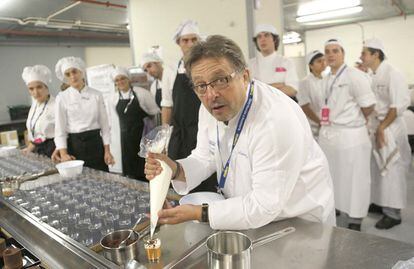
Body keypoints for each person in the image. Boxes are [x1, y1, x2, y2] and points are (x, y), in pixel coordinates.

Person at [145, 35, 335, 230]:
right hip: (246, 212)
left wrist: (200, 213)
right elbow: (205, 156)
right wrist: (175, 169)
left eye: (220, 80)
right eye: (201, 86)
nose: (211, 95)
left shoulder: (273, 120)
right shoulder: (209, 108)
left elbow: (264, 204)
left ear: (244, 77)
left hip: (298, 220)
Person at [318, 39, 376, 231]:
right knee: (334, 177)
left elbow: (368, 107)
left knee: (355, 179)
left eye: (335, 50)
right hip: (331, 135)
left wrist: (352, 121)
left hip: (351, 136)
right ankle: (339, 209)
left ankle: (356, 219)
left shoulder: (355, 76)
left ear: (343, 53)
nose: (331, 54)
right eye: (327, 51)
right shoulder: (326, 78)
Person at [360, 38, 411, 229]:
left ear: (376, 54)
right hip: (378, 126)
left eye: (364, 53)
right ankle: (381, 203)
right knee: (377, 168)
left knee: (392, 169)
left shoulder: (393, 74)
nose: (361, 56)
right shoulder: (373, 75)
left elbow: (397, 105)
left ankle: (393, 213)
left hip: (390, 127)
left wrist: (382, 128)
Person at [161, 19, 217, 192]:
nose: (190, 44)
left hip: (203, 130)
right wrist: (164, 136)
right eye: (185, 40)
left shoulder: (206, 67)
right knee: (178, 177)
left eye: (194, 39)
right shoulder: (170, 70)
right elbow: (167, 104)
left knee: (206, 176)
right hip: (179, 133)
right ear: (178, 43)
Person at [54, 56, 114, 171]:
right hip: (75, 145)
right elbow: (60, 129)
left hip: (95, 143)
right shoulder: (62, 97)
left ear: (81, 72)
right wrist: (63, 154)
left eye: (74, 71)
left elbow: (105, 126)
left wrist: (107, 151)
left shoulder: (96, 95)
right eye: (68, 74)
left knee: (100, 179)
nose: (72, 76)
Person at [110, 66, 159, 179]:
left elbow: (155, 113)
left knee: (145, 169)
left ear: (129, 79)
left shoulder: (142, 93)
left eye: (123, 78)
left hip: (143, 137)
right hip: (125, 139)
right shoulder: (113, 98)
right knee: (130, 170)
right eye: (117, 80)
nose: (120, 82)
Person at [248, 24, 299, 100]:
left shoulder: (286, 62)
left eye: (266, 35)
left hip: (282, 105)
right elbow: (249, 90)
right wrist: (278, 85)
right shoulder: (251, 64)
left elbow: (292, 89)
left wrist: (261, 89)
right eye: (259, 37)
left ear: (274, 39)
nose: (262, 39)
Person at [21, 65, 56, 157]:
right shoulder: (35, 105)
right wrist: (29, 148)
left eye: (39, 87)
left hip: (53, 150)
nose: (35, 92)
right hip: (38, 149)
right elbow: (39, 135)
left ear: (46, 87)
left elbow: (65, 134)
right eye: (31, 89)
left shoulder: (56, 105)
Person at [297, 50, 326, 138]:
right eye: (319, 61)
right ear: (310, 65)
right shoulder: (305, 82)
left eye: (324, 60)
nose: (323, 63)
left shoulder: (326, 80)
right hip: (313, 127)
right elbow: (305, 106)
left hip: (326, 125)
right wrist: (319, 122)